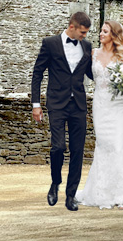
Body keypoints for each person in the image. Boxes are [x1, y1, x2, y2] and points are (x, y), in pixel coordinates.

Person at [31, 11, 94, 211]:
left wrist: (115, 75)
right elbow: (37, 73)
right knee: (58, 147)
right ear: (72, 27)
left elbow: (92, 74)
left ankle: (71, 196)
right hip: (56, 104)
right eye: (82, 32)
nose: (84, 36)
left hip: (78, 106)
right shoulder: (50, 43)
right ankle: (55, 183)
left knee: (77, 151)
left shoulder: (87, 46)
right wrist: (36, 104)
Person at [77, 21, 123, 210]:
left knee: (117, 145)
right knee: (103, 144)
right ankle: (100, 191)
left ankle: (121, 192)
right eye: (100, 31)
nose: (100, 33)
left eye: (105, 31)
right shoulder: (93, 54)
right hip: (101, 104)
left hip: (119, 105)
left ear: (113, 35)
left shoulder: (122, 56)